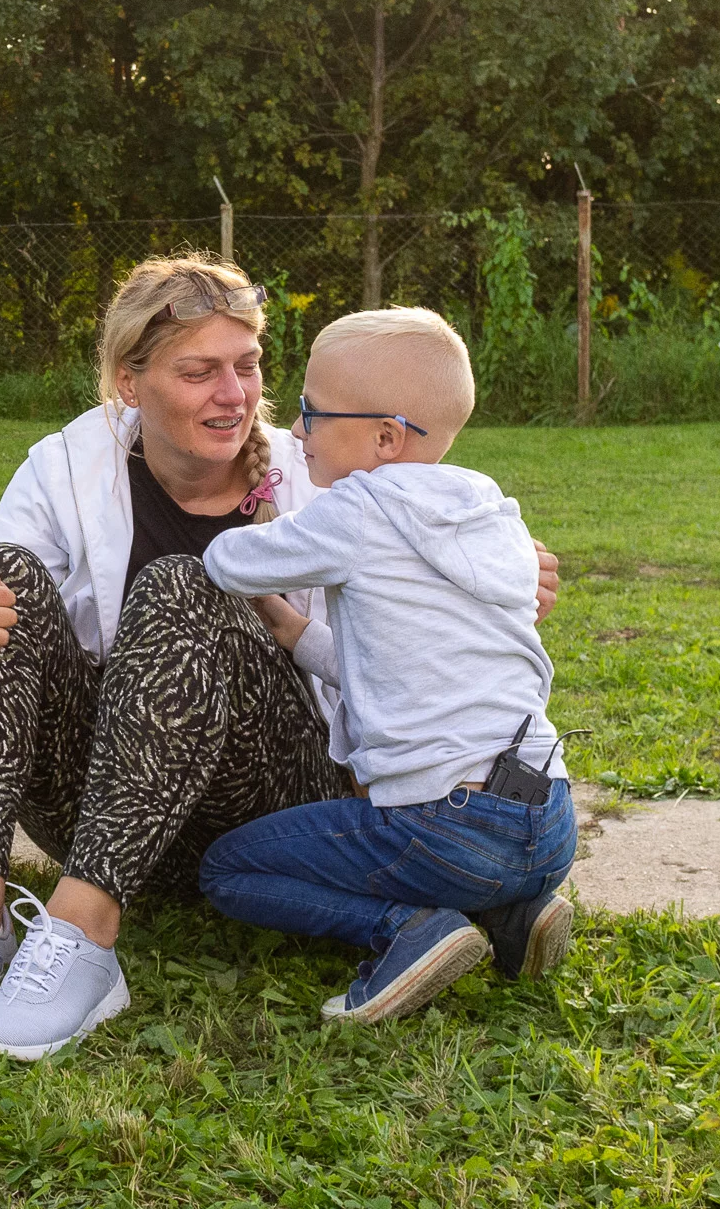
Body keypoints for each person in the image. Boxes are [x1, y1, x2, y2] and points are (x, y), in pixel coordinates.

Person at [0, 258, 561, 1060]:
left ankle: (84, 934)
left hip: (275, 797)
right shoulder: (67, 464)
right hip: (101, 809)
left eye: (248, 365)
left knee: (182, 583)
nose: (233, 393)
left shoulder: (330, 464)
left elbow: (441, 548)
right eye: (198, 372)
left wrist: (509, 571)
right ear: (131, 383)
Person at [198, 307, 577, 1024]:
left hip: (443, 824)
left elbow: (228, 563)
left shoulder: (361, 506)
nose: (298, 431)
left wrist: (246, 527)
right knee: (491, 855)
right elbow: (396, 665)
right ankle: (515, 913)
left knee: (227, 869)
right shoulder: (491, 509)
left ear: (383, 436)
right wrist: (293, 628)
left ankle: (409, 929)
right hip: (549, 817)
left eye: (310, 411)